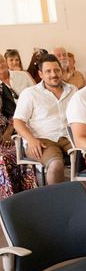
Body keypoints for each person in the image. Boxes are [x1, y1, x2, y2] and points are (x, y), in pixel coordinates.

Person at [13, 54, 76, 185]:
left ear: (61, 71)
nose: (54, 74)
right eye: (48, 71)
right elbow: (18, 122)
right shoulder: (30, 94)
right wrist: (31, 140)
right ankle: (57, 203)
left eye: (57, 70)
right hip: (42, 139)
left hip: (69, 137)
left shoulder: (73, 90)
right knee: (56, 165)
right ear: (41, 74)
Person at [0, 56, 37, 198]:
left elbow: (12, 115)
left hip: (6, 133)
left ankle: (27, 197)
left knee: (20, 151)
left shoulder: (2, 89)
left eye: (2, 61)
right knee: (3, 159)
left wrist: (8, 133)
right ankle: (7, 199)